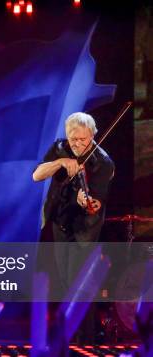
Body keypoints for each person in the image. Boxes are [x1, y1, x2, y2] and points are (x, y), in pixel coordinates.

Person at [33, 112, 114, 341]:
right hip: (60, 223)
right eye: (73, 139)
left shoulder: (103, 162)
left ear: (93, 135)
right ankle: (70, 335)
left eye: (83, 140)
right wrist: (60, 162)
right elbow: (37, 175)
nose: (78, 144)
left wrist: (87, 202)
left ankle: (83, 336)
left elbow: (96, 201)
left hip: (85, 228)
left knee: (78, 283)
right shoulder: (60, 148)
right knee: (64, 281)